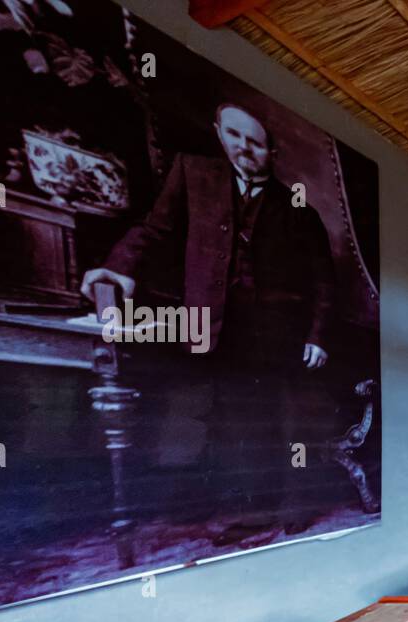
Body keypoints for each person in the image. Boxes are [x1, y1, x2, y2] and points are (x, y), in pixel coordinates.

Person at [79, 103, 338, 542]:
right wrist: (117, 269)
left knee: (276, 423)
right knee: (223, 422)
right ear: (220, 133)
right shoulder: (194, 175)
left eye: (255, 142)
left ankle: (277, 511)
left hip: (276, 334)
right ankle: (240, 511)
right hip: (211, 326)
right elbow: (153, 229)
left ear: (271, 152)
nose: (244, 148)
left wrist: (316, 336)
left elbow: (322, 282)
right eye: (236, 136)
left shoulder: (297, 207)